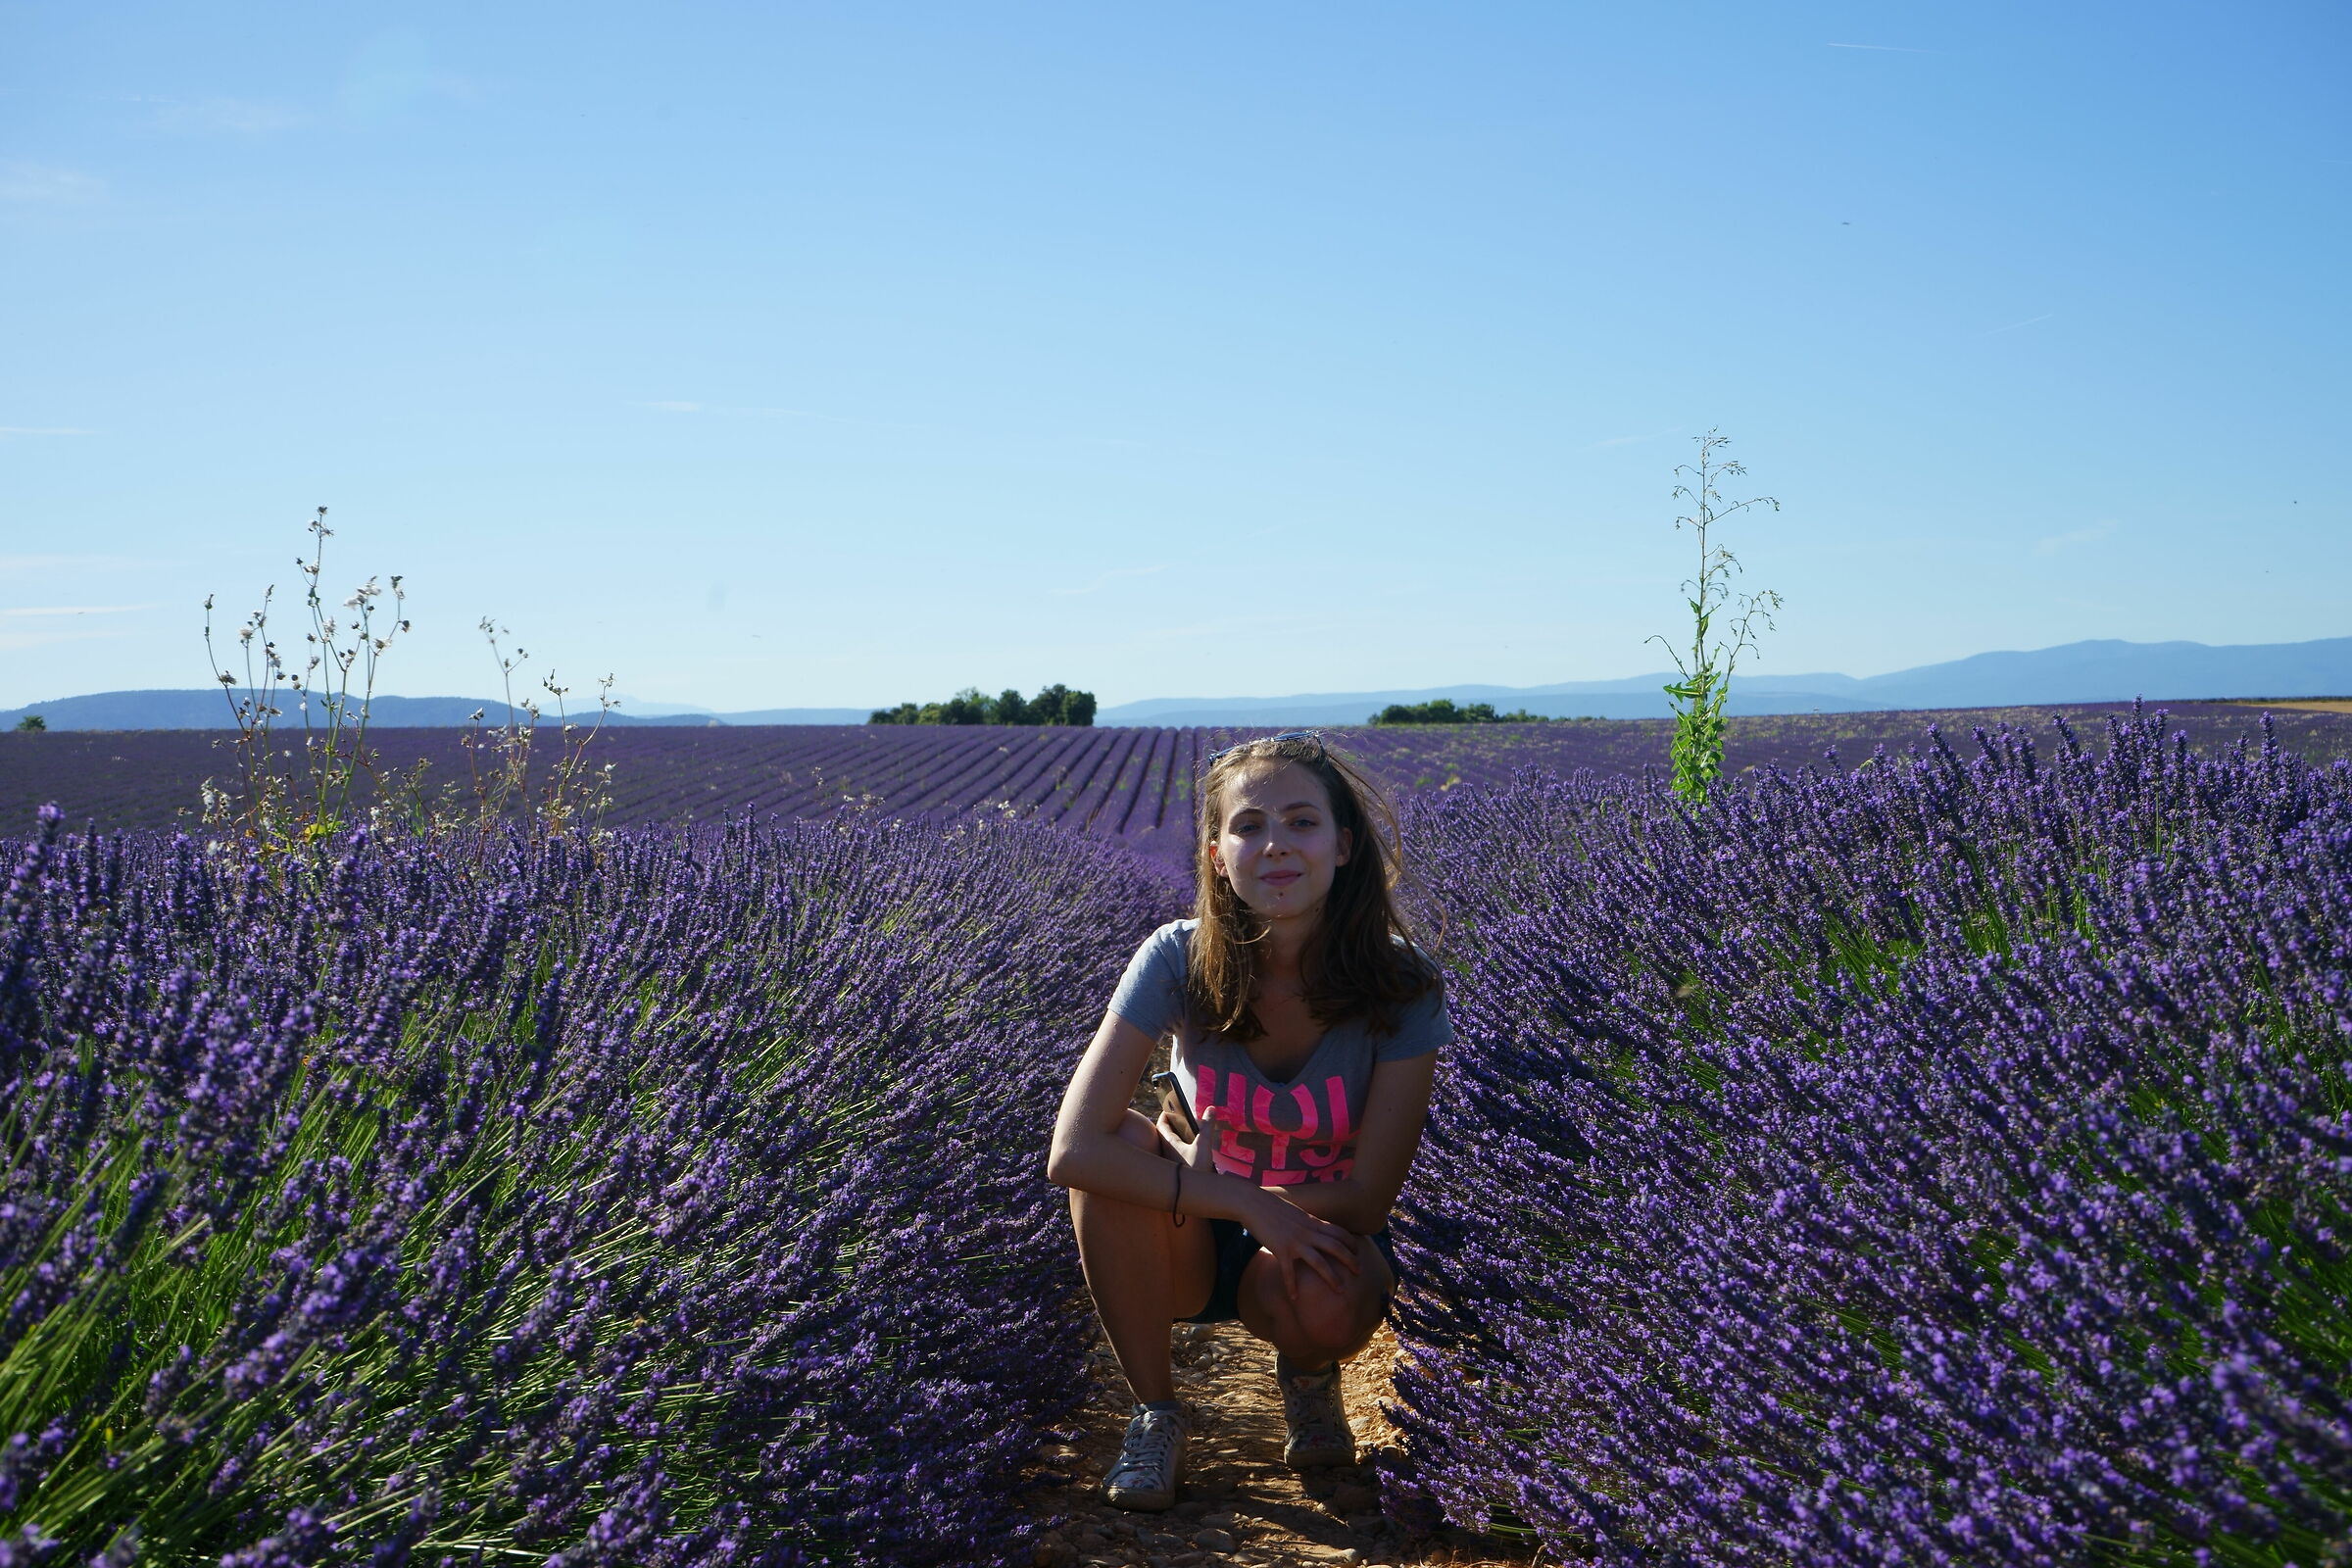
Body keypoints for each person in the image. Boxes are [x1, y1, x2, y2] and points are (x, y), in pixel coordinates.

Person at [1046, 731, 1449, 1512]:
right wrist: (1240, 1202)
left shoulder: (1402, 984)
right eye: (1249, 825)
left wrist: (1240, 1192)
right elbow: (1074, 1150)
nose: (1275, 845)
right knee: (1118, 1153)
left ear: (1343, 844)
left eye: (1301, 822)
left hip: (1316, 1232)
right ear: (1215, 856)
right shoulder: (1176, 958)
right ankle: (1156, 1414)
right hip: (1193, 1230)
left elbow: (1367, 1200)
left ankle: (1306, 1374)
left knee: (1327, 1304)